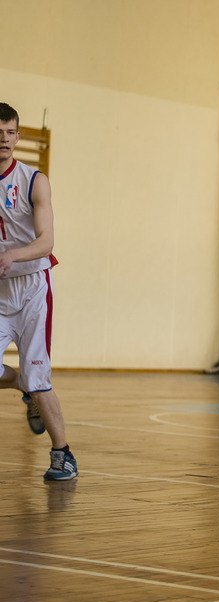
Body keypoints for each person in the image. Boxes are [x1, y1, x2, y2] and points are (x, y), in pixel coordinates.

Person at [0, 102, 77, 481]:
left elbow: (46, 242)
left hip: (32, 288)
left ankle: (63, 453)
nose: (3, 139)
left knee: (39, 376)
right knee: (28, 380)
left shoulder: (33, 180)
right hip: (0, 290)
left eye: (9, 132)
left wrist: (12, 255)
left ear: (18, 136)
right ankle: (22, 385)